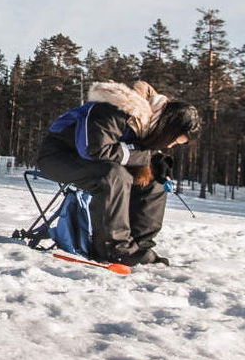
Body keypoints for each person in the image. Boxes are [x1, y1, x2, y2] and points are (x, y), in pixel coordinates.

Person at [35, 81, 200, 266]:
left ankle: (137, 246)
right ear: (168, 128)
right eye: (174, 140)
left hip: (94, 163)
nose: (170, 145)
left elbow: (130, 150)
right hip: (58, 156)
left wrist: (155, 160)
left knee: (154, 181)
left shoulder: (147, 123)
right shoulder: (113, 109)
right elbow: (94, 149)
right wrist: (144, 156)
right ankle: (113, 248)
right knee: (113, 176)